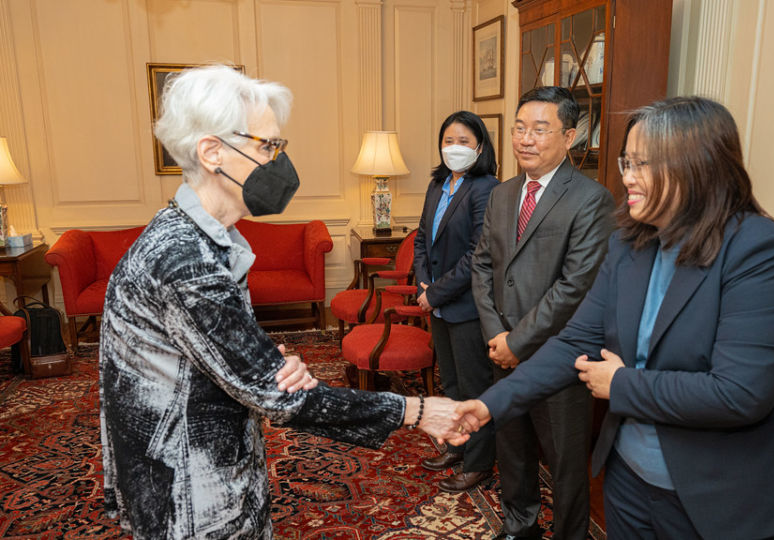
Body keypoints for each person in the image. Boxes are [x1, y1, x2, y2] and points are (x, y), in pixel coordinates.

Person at [98, 65, 466, 538]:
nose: (279, 161)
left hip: (209, 472)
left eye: (279, 146)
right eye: (267, 146)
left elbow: (212, 350)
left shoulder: (201, 236)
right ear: (212, 153)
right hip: (190, 498)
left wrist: (268, 358)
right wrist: (418, 412)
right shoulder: (183, 259)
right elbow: (284, 400)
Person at [457, 96, 774, 539]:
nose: (626, 177)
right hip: (630, 482)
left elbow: (740, 394)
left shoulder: (761, 252)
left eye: (642, 164)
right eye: (625, 161)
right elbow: (576, 341)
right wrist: (487, 406)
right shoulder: (630, 245)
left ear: (697, 165)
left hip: (721, 497)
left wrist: (621, 384)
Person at [471, 86, 615, 540]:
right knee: (511, 446)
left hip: (558, 354)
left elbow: (576, 285)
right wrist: (498, 336)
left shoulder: (591, 199)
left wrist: (518, 341)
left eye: (539, 129)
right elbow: (482, 264)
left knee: (565, 459)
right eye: (519, 128)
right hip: (502, 350)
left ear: (569, 136)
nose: (525, 139)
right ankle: (520, 525)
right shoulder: (502, 193)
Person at [413, 111, 499, 492]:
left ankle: (479, 461)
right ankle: (459, 447)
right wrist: (421, 283)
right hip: (438, 306)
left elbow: (477, 255)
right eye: (448, 140)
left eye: (464, 141)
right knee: (450, 383)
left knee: (473, 386)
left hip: (466, 308)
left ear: (479, 146)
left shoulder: (486, 188)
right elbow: (421, 240)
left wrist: (434, 293)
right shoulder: (438, 184)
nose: (454, 147)